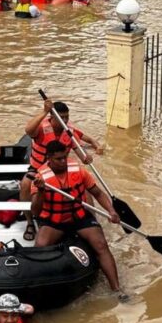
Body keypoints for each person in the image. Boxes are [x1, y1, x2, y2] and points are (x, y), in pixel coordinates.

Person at [30, 141, 126, 298]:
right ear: (49, 158)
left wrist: (111, 211)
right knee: (40, 247)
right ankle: (37, 289)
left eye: (65, 157)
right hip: (55, 221)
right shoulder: (40, 177)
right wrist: (41, 190)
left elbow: (98, 193)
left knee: (101, 244)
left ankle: (117, 290)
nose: (63, 162)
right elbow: (35, 210)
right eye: (59, 159)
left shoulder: (79, 172)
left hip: (79, 217)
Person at [20, 99, 102, 241]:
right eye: (61, 117)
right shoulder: (41, 128)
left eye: (66, 117)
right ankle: (30, 223)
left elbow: (77, 146)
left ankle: (91, 220)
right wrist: (45, 110)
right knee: (25, 185)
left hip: (61, 167)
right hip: (39, 167)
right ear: (52, 117)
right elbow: (28, 130)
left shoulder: (68, 130)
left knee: (85, 186)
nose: (64, 120)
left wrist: (86, 157)